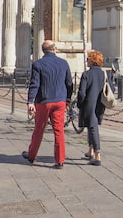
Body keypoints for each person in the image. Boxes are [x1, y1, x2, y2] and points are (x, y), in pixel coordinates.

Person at [22, 40, 73, 169]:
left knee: (39, 129)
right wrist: (67, 99)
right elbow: (69, 83)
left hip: (44, 101)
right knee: (59, 131)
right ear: (54, 49)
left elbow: (35, 84)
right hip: (60, 101)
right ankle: (60, 160)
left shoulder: (38, 64)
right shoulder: (64, 63)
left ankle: (32, 155)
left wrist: (30, 101)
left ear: (43, 50)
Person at [77, 50, 109, 166]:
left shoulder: (86, 74)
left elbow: (82, 93)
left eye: (88, 59)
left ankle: (97, 156)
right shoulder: (103, 73)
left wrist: (79, 104)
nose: (87, 61)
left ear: (92, 60)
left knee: (93, 128)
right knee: (91, 127)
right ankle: (90, 151)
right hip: (99, 104)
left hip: (89, 104)